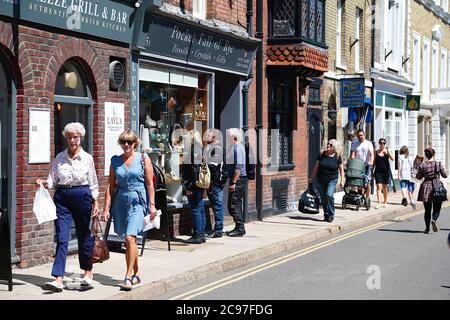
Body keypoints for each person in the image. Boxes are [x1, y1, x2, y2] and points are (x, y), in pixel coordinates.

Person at [35, 122, 99, 292]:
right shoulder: (60, 158)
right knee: (62, 238)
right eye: (70, 137)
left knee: (84, 235)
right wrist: (44, 183)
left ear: (81, 138)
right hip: (62, 198)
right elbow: (52, 179)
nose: (72, 140)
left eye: (75, 137)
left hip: (82, 196)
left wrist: (96, 202)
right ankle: (58, 278)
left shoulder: (87, 158)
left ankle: (88, 272)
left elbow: (93, 183)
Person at [102, 130, 157, 291]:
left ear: (135, 144)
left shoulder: (143, 158)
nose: (126, 145)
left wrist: (152, 205)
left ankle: (127, 277)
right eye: (123, 142)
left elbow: (149, 183)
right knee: (128, 239)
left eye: (130, 142)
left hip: (138, 201)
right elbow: (111, 186)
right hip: (121, 202)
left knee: (130, 237)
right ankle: (137, 274)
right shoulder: (115, 161)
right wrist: (106, 208)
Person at [309, 139, 345, 222]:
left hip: (332, 179)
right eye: (328, 144)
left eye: (330, 145)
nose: (328, 146)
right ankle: (326, 214)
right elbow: (316, 167)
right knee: (323, 198)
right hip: (321, 179)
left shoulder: (337, 156)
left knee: (329, 195)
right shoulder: (322, 154)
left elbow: (341, 169)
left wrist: (342, 180)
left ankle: (331, 213)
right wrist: (312, 177)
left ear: (334, 147)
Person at [182, 130, 206, 244]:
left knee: (196, 209)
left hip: (194, 184)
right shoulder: (202, 150)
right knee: (200, 209)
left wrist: (189, 187)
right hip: (200, 183)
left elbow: (194, 170)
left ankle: (197, 235)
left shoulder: (193, 151)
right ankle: (201, 234)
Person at [416, 147, 447, 234]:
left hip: (426, 187)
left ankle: (427, 229)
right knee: (437, 208)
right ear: (434, 154)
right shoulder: (438, 164)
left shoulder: (422, 165)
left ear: (426, 155)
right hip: (436, 187)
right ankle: (434, 219)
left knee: (427, 210)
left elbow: (418, 177)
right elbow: (445, 175)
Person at [204, 130, 227, 238]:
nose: (205, 136)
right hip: (216, 183)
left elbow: (213, 168)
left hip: (215, 183)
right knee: (217, 205)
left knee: (217, 206)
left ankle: (218, 230)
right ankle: (217, 229)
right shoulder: (214, 148)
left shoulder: (216, 149)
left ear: (214, 138)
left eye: (208, 135)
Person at [225, 128, 247, 237]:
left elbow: (238, 168)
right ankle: (239, 227)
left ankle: (240, 228)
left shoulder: (237, 148)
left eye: (228, 136)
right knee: (237, 203)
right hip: (240, 180)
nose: (227, 138)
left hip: (238, 180)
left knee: (232, 205)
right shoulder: (237, 147)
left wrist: (233, 183)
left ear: (234, 137)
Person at [350, 129, 374, 199]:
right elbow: (353, 153)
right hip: (358, 166)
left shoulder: (368, 143)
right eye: (359, 136)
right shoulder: (355, 143)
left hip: (366, 165)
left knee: (367, 182)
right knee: (359, 182)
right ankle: (360, 196)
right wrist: (352, 159)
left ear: (364, 135)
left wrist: (371, 161)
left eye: (361, 135)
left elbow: (371, 154)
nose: (360, 137)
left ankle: (367, 198)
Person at [373, 138, 394, 209]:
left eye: (383, 143)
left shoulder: (387, 151)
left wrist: (387, 153)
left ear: (385, 144)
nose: (382, 144)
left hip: (386, 172)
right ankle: (379, 203)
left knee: (385, 187)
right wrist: (372, 171)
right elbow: (374, 162)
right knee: (379, 186)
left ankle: (385, 202)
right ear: (379, 144)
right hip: (378, 171)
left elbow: (393, 158)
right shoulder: (376, 152)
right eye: (381, 143)